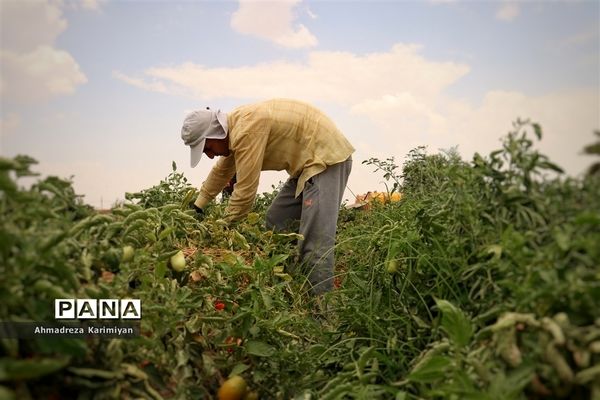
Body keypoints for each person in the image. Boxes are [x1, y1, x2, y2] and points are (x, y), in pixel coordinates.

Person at [180, 99, 354, 295]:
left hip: (325, 159)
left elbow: (245, 194)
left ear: (216, 133)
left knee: (315, 243)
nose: (210, 156)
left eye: (208, 149)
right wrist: (197, 207)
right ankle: (289, 286)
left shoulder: (247, 130)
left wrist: (220, 230)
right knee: (277, 219)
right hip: (305, 165)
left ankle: (320, 311)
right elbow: (221, 172)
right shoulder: (237, 128)